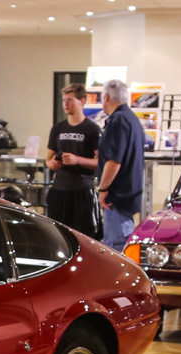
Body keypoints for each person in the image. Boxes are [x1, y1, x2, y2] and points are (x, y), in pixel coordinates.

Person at [44, 82, 102, 238]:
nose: (66, 104)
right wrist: (53, 164)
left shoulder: (92, 129)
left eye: (70, 100)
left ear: (82, 101)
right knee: (57, 236)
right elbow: (48, 160)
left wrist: (78, 160)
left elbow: (100, 162)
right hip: (59, 190)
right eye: (64, 100)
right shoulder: (57, 128)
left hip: (82, 191)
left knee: (85, 237)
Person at [95, 78, 145, 251]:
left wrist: (103, 189)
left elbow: (114, 160)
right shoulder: (132, 119)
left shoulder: (117, 121)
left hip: (117, 197)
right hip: (130, 195)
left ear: (106, 97)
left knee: (115, 248)